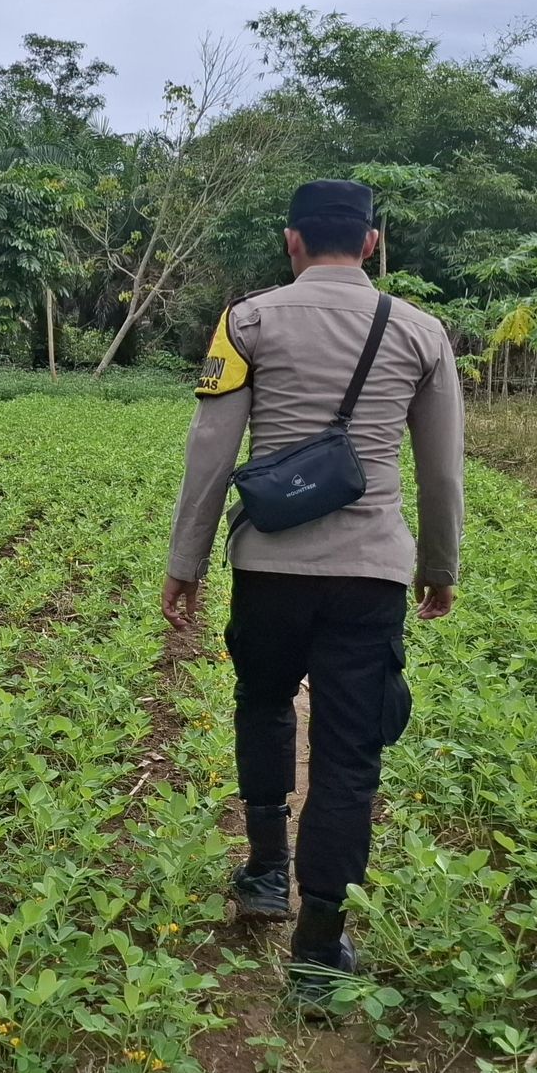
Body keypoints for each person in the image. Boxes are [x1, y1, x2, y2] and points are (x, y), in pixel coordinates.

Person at [162, 178, 465, 1011]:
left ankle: (266, 871)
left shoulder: (247, 321)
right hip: (371, 574)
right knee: (347, 754)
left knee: (263, 701)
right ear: (370, 243)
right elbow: (441, 470)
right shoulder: (422, 331)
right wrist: (439, 565)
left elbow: (211, 450)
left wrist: (187, 560)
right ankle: (321, 950)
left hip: (268, 567)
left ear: (292, 241)